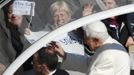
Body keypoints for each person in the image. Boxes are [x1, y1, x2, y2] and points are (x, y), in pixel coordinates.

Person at [47, 21, 130, 75]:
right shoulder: (108, 45)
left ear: (96, 40)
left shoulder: (107, 55)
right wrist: (64, 55)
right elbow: (88, 63)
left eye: (87, 39)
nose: (85, 42)